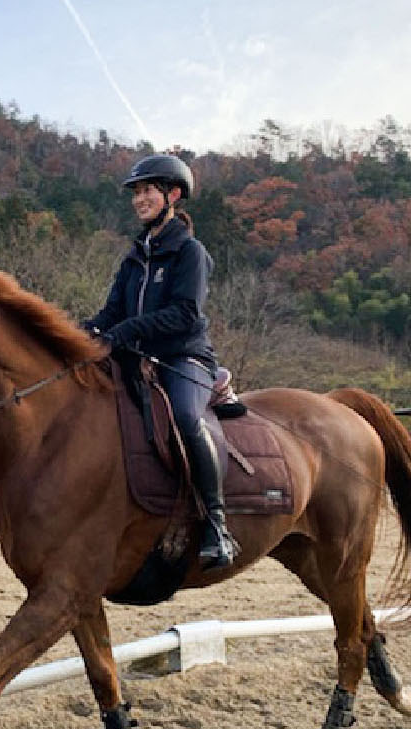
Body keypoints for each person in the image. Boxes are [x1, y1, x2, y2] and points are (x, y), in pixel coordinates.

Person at [83, 154, 241, 571]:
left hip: (182, 358)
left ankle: (216, 524)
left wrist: (124, 333)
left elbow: (185, 314)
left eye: (147, 191)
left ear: (172, 195)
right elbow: (109, 314)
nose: (139, 199)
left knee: (187, 418)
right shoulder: (134, 257)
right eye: (136, 192)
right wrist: (79, 333)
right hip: (135, 357)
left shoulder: (190, 252)